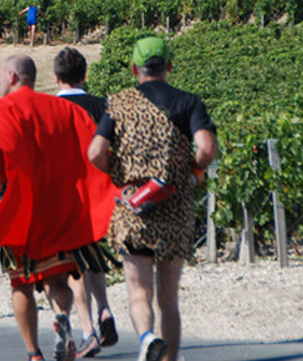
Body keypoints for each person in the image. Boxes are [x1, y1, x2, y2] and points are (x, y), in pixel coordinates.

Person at [0, 55, 118, 361]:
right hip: (60, 211)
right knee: (58, 278)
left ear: (12, 76)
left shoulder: (0, 109)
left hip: (22, 211)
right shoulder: (64, 109)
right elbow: (91, 151)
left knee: (21, 283)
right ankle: (62, 316)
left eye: (1, 76)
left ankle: (33, 354)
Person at [88, 37, 218, 361]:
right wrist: (192, 170)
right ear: (169, 66)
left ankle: (147, 338)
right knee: (168, 298)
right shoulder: (189, 103)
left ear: (134, 69)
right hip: (175, 205)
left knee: (138, 292)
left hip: (135, 208)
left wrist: (118, 172)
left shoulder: (117, 103)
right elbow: (207, 149)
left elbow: (95, 152)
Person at [52, 47, 120, 357]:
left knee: (73, 265)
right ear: (85, 75)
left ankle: (88, 330)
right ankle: (105, 309)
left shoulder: (49, 108)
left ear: (56, 77)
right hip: (100, 193)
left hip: (65, 195)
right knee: (93, 256)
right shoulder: (102, 106)